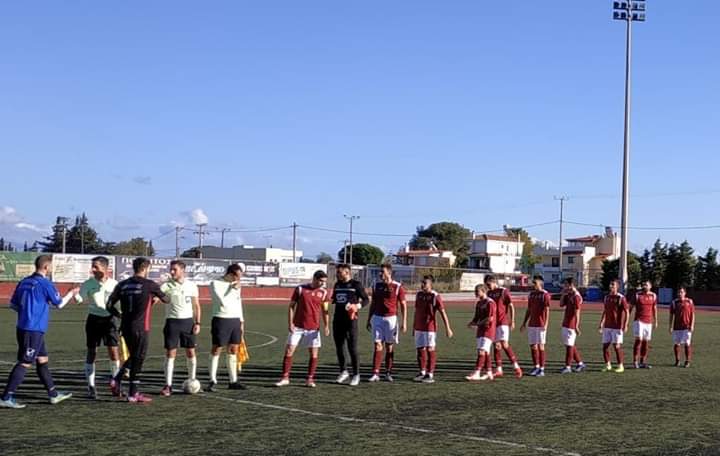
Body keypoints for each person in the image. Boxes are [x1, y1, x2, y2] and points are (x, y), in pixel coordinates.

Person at [0, 255, 78, 409]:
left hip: (24, 327)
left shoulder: (24, 281)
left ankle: (53, 394)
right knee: (25, 362)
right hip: (33, 329)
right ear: (46, 267)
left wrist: (27, 312)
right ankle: (6, 397)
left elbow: (13, 305)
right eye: (52, 266)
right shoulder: (45, 283)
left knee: (42, 359)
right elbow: (59, 304)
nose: (52, 269)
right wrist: (72, 293)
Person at [107, 257, 169, 403]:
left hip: (125, 326)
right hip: (141, 327)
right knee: (138, 358)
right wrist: (157, 296)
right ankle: (132, 393)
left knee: (134, 356)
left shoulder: (122, 284)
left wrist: (120, 315)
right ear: (146, 268)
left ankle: (117, 380)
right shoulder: (150, 285)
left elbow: (109, 305)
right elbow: (167, 299)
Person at [73, 256, 120, 399]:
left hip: (110, 320)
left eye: (96, 267)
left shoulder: (115, 284)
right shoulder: (88, 284)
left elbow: (120, 302)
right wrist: (75, 295)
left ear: (105, 268)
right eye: (92, 267)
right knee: (92, 352)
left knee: (114, 352)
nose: (93, 269)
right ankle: (91, 387)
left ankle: (116, 384)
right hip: (93, 320)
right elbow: (80, 299)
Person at [275, 270, 331, 388]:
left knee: (313, 354)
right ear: (314, 278)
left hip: (313, 328)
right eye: (321, 281)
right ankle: (285, 378)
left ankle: (310, 379)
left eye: (324, 282)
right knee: (289, 350)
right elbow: (291, 307)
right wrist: (290, 323)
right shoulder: (300, 289)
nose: (323, 283)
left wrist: (326, 326)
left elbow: (325, 311)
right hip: (297, 327)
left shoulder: (324, 293)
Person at [159, 260, 201, 396]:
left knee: (191, 352)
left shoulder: (192, 286)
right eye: (171, 269)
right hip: (172, 322)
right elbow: (155, 299)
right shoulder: (166, 286)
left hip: (188, 322)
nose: (172, 272)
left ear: (183, 270)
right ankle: (168, 385)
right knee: (170, 353)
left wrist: (197, 323)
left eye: (174, 269)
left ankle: (192, 380)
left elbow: (196, 306)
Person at [208, 263, 247, 391]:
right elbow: (222, 301)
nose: (238, 279)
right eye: (237, 277)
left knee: (233, 349)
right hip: (221, 318)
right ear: (230, 274)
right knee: (217, 348)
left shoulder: (236, 285)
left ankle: (233, 381)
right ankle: (212, 380)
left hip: (235, 320)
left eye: (240, 277)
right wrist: (232, 289)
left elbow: (238, 302)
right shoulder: (215, 283)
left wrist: (241, 321)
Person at [366, 264, 407, 383]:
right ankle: (375, 373)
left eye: (382, 272)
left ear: (389, 273)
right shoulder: (376, 285)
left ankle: (388, 372)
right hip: (377, 318)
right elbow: (373, 303)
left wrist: (404, 321)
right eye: (380, 272)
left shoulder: (397, 287)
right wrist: (369, 319)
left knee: (389, 346)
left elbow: (403, 305)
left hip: (391, 319)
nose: (380, 274)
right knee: (377, 345)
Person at [331, 264, 369, 386]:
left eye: (339, 272)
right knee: (339, 347)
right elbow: (334, 300)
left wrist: (356, 306)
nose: (337, 274)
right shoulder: (337, 285)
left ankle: (356, 374)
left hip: (351, 321)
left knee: (352, 347)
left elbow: (366, 300)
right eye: (337, 272)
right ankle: (343, 371)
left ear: (347, 272)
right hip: (338, 320)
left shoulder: (356, 285)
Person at [413, 275, 453, 384]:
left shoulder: (435, 296)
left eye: (424, 283)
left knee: (430, 349)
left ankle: (430, 374)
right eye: (422, 282)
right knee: (420, 349)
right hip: (419, 327)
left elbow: (442, 312)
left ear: (430, 284)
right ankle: (422, 372)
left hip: (430, 327)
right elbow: (416, 311)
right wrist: (414, 326)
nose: (422, 285)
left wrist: (448, 328)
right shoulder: (419, 295)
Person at [485, 275, 522, 379]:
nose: (487, 286)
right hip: (493, 324)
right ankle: (499, 370)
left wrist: (512, 320)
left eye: (488, 284)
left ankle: (516, 367)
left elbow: (511, 306)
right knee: (496, 346)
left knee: (504, 344)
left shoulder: (503, 291)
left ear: (493, 282)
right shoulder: (489, 293)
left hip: (503, 322)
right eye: (486, 285)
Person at [520, 276, 551, 377]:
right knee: (533, 345)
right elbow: (529, 309)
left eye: (535, 283)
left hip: (541, 324)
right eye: (533, 283)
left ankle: (542, 369)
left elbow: (547, 310)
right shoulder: (531, 294)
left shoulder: (545, 294)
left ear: (540, 284)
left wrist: (546, 324)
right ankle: (536, 366)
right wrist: (524, 323)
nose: (533, 285)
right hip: (532, 324)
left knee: (541, 346)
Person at [466, 284, 496, 382]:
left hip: (488, 330)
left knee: (481, 351)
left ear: (483, 291)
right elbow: (476, 317)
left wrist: (478, 324)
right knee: (485, 352)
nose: (475, 293)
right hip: (480, 330)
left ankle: (477, 372)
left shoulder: (490, 303)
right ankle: (489, 372)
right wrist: (472, 322)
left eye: (477, 291)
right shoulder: (479, 303)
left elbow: (490, 318)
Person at [598, 279, 629, 373]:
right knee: (605, 346)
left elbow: (627, 312)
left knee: (617, 346)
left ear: (617, 287)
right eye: (610, 284)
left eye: (613, 285)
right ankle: (608, 365)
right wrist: (601, 323)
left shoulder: (621, 298)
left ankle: (620, 366)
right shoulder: (606, 297)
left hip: (617, 326)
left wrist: (625, 324)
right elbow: (605, 311)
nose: (611, 286)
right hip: (607, 326)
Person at [559, 277, 586, 374]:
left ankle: (568, 366)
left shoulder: (576, 296)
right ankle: (580, 363)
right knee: (569, 345)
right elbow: (561, 304)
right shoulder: (569, 294)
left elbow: (577, 312)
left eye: (566, 284)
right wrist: (563, 294)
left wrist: (576, 326)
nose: (564, 286)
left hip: (571, 324)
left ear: (571, 285)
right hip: (565, 323)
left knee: (569, 346)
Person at [630, 280, 658, 369]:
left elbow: (654, 308)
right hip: (639, 321)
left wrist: (656, 320)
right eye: (643, 285)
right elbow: (631, 307)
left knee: (646, 342)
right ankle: (635, 361)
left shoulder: (653, 295)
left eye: (646, 285)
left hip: (648, 322)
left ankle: (642, 362)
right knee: (639, 340)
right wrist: (627, 319)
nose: (644, 286)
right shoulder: (637, 295)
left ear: (650, 286)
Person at [669, 287, 695, 368]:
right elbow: (671, 315)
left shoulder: (689, 301)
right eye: (679, 292)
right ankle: (677, 360)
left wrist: (692, 325)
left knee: (687, 343)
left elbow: (692, 314)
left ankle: (687, 361)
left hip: (687, 326)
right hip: (677, 327)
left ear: (685, 293)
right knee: (677, 343)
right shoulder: (674, 302)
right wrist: (670, 326)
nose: (680, 294)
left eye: (681, 292)